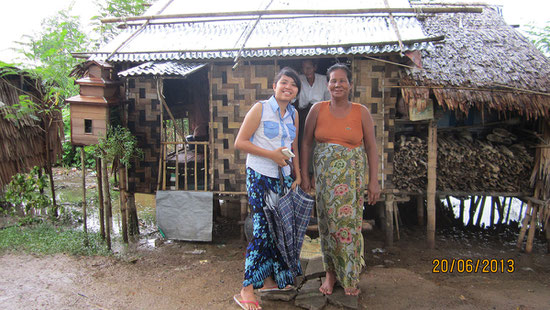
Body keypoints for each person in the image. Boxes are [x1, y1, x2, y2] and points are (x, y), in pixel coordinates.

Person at [300, 63, 381, 296]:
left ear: (350, 85)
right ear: (327, 85)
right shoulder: (317, 109)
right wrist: (306, 174)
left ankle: (350, 276)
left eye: (342, 80)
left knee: (349, 228)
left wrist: (373, 181)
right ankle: (330, 275)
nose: (337, 85)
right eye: (333, 81)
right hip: (325, 183)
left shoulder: (361, 112)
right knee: (327, 227)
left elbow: (372, 147)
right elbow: (305, 143)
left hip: (351, 184)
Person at [233, 67, 303, 310]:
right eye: (284, 82)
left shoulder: (294, 114)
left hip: (283, 177)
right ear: (274, 86)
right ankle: (247, 288)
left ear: (296, 92)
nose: (288, 87)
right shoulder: (260, 108)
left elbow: (293, 145)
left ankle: (270, 281)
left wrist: (298, 172)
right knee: (262, 230)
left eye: (293, 85)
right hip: (260, 175)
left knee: (279, 229)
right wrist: (271, 155)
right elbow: (240, 142)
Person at [296, 59, 331, 152]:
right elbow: (293, 98)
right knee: (303, 140)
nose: (306, 71)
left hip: (320, 115)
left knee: (318, 139)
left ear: (314, 68)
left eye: (309, 68)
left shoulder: (323, 80)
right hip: (303, 115)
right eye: (304, 68)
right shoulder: (299, 79)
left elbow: (329, 100)